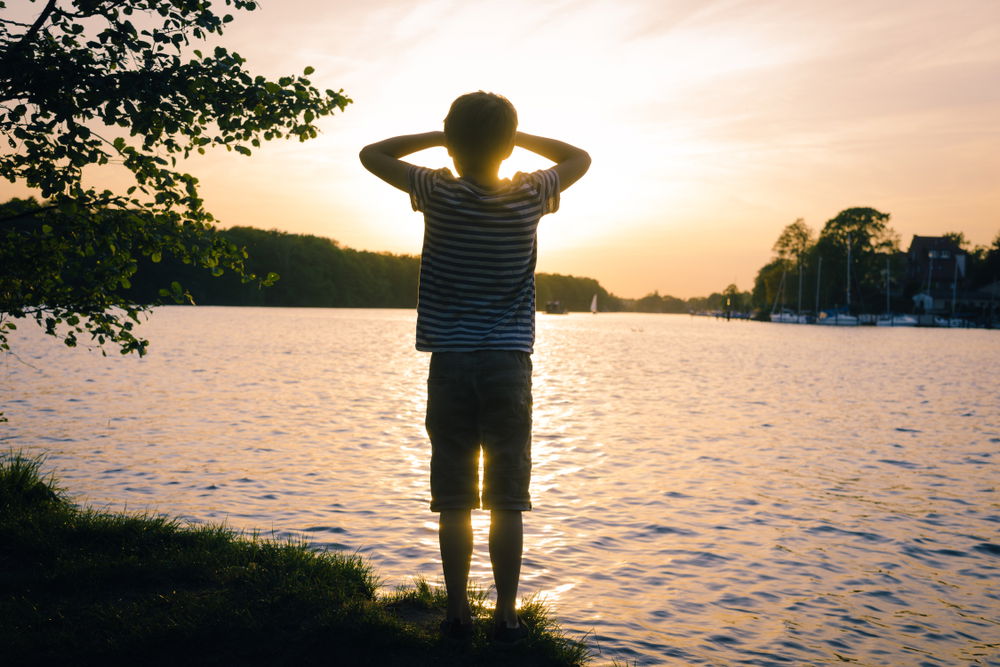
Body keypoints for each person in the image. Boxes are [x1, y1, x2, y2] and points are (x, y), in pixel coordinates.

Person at [359, 91, 590, 641]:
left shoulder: (437, 191)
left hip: (451, 362)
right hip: (508, 364)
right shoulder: (530, 193)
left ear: (452, 144)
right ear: (507, 147)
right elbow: (579, 157)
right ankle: (506, 615)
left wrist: (441, 138)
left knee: (455, 496)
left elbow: (372, 154)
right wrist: (513, 139)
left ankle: (458, 612)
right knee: (507, 498)